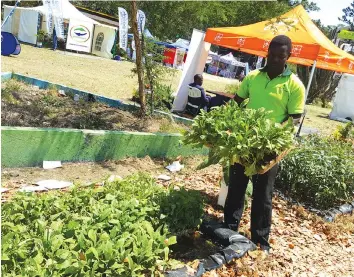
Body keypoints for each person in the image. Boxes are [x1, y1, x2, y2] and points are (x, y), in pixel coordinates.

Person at [225, 35, 305, 253]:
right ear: (266, 53)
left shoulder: (294, 85)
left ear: (289, 56)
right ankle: (228, 229)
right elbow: (237, 103)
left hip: (269, 147)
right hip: (244, 142)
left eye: (282, 55)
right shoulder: (252, 77)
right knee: (236, 187)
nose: (276, 59)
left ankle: (260, 240)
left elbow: (294, 120)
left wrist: (273, 140)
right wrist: (227, 123)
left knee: (263, 195)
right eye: (273, 54)